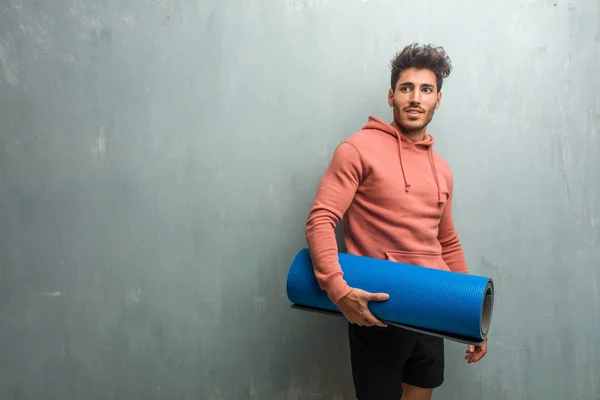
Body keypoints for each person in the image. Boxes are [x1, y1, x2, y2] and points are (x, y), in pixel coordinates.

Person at [304, 43, 487, 400]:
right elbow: (320, 220)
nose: (415, 98)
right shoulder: (357, 149)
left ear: (438, 100)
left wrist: (471, 316)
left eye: (426, 89)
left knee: (421, 393)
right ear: (391, 96)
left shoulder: (443, 170)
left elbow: (447, 242)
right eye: (406, 88)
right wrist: (338, 291)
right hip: (377, 305)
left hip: (432, 302)